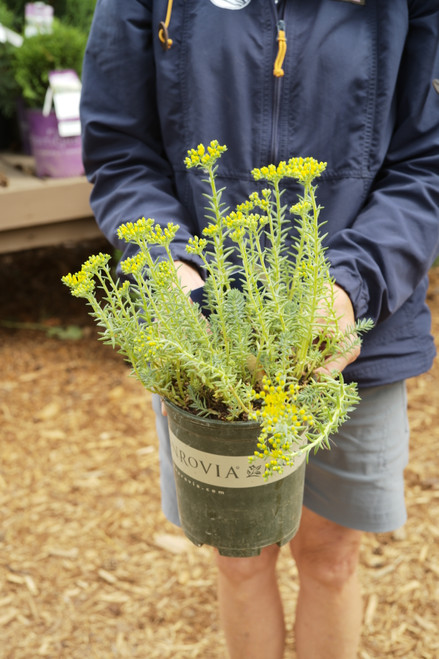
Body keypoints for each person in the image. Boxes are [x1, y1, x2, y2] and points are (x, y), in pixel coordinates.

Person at [79, 2, 439, 657]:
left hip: (358, 326)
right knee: (238, 553)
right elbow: (121, 148)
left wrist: (349, 286)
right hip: (207, 343)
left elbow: (427, 164)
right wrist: (168, 268)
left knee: (330, 556)